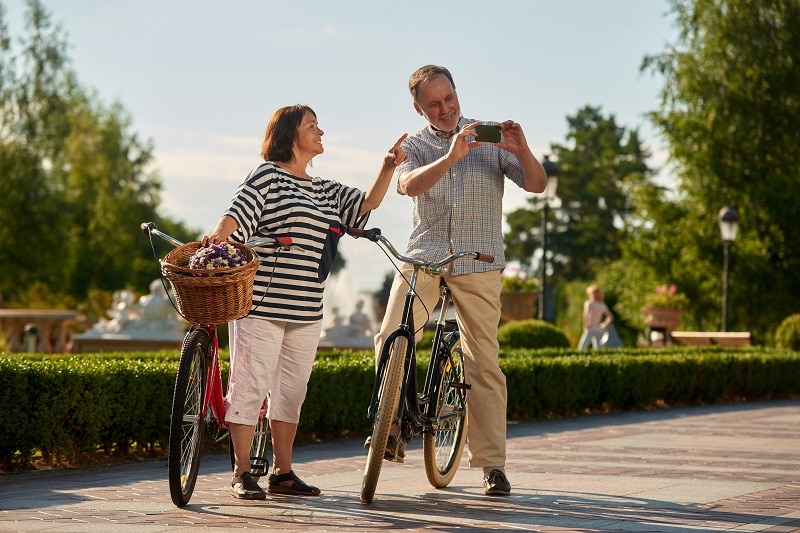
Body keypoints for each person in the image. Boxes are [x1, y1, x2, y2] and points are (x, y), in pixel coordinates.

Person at [202, 104, 407, 500]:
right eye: (312, 126)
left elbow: (366, 205)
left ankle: (282, 472)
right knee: (250, 384)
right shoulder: (268, 176)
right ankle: (242, 473)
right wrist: (217, 241)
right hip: (261, 305)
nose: (321, 132)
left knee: (292, 392)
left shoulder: (325, 189)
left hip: (307, 309)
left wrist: (388, 166)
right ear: (289, 134)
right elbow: (237, 213)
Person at [372, 65, 547, 496]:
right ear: (418, 107)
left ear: (456, 93)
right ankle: (389, 427)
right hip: (425, 256)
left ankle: (492, 464)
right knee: (390, 333)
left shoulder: (487, 137)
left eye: (449, 98)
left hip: (479, 260)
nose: (445, 108)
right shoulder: (414, 145)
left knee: (483, 361)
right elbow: (407, 185)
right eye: (434, 103)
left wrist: (522, 150)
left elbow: (538, 185)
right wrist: (449, 157)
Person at [577, 284, 615, 349]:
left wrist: (585, 324)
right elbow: (610, 317)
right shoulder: (602, 305)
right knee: (597, 349)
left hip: (590, 328)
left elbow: (585, 315)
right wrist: (604, 325)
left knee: (581, 348)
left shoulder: (589, 303)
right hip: (598, 328)